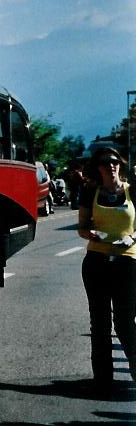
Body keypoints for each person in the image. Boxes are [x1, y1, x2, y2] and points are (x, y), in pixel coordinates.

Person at [76, 147, 136, 393]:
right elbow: (81, 226)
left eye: (114, 162)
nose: (110, 166)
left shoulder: (133, 191)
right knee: (99, 322)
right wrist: (90, 233)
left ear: (119, 166)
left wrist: (132, 238)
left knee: (124, 321)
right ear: (98, 169)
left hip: (127, 261)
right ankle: (102, 379)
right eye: (105, 164)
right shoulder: (91, 191)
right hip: (97, 260)